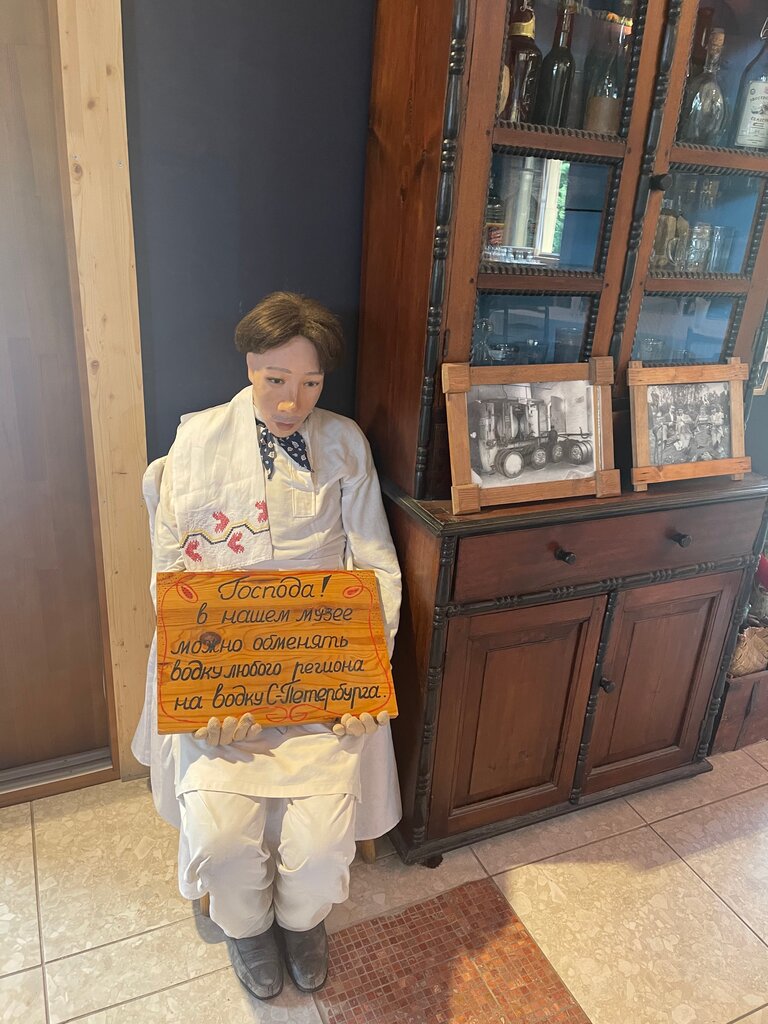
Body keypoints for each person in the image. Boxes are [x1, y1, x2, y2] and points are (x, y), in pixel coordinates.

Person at [131, 292, 402, 1000]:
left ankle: (302, 920)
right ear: (250, 365)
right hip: (228, 684)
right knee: (222, 840)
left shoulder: (344, 443)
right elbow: (173, 581)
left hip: (318, 680)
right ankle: (246, 927)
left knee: (319, 848)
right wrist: (202, 692)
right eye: (276, 379)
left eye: (310, 383)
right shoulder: (194, 446)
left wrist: (362, 676)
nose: (291, 402)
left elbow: (376, 565)